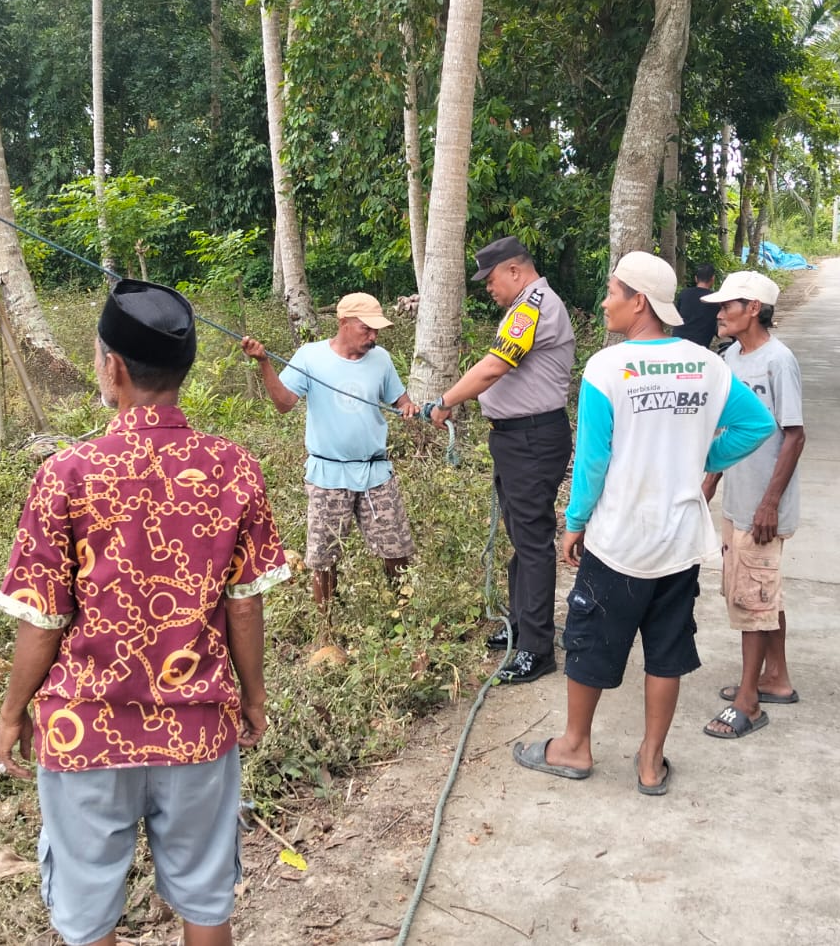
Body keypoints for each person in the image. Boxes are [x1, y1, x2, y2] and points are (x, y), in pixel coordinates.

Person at [0, 280, 289, 946]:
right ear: (184, 369)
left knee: (89, 906)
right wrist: (253, 698)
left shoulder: (66, 474)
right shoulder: (234, 468)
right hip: (198, 729)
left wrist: (13, 713)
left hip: (85, 731)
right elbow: (244, 608)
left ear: (114, 367)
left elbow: (42, 619)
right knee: (206, 900)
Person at [510, 252, 775, 794]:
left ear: (639, 302)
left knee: (590, 640)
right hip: (678, 542)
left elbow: (593, 461)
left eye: (613, 292)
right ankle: (651, 763)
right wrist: (702, 457)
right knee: (666, 651)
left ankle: (574, 747)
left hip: (620, 539)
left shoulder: (607, 368)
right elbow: (758, 425)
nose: (604, 303)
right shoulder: (707, 365)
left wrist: (575, 522)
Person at [429, 236, 575, 684]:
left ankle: (537, 649)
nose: (488, 289)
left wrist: (445, 401)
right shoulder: (524, 307)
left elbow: (495, 366)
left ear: (515, 271)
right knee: (521, 536)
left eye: (490, 279)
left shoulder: (532, 308)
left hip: (532, 439)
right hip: (518, 439)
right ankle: (520, 623)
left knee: (532, 543)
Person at [241, 293, 417, 623]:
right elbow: (284, 404)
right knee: (323, 558)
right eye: (366, 329)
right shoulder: (311, 356)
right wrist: (264, 363)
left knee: (397, 550)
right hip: (327, 475)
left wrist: (408, 408)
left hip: (376, 473)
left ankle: (407, 622)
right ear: (343, 323)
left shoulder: (381, 359)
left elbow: (400, 400)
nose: (373, 337)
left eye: (376, 330)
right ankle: (327, 628)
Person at [698, 271, 807, 741]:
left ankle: (749, 701)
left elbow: (794, 435)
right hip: (738, 500)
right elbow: (726, 430)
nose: (720, 314)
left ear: (754, 309)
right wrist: (709, 483)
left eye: (729, 306)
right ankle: (775, 676)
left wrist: (769, 503)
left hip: (762, 506)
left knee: (753, 600)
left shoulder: (778, 361)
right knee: (760, 591)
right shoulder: (729, 360)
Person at [674, 263, 720, 347]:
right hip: (700, 346)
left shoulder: (684, 293)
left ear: (695, 278)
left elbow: (676, 315)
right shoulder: (715, 299)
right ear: (713, 279)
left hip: (677, 342)